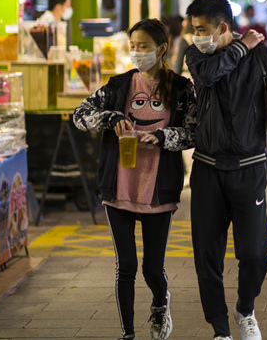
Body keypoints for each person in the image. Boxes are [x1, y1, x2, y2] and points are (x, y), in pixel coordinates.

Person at [155, 0, 267, 340]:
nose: (195, 35)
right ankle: (220, 330)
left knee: (255, 253)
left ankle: (245, 308)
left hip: (249, 168)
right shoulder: (196, 55)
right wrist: (242, 46)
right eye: (193, 29)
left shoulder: (260, 55)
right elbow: (211, 74)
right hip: (208, 168)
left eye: (202, 29)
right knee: (207, 257)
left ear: (223, 27)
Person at [72, 18, 199, 340]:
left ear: (162, 49)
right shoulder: (118, 86)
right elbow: (80, 115)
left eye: (143, 47)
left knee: (152, 269)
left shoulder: (182, 89)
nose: (137, 53)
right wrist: (110, 117)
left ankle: (159, 305)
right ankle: (128, 334)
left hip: (159, 188)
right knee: (126, 265)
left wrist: (163, 136)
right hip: (119, 186)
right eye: (133, 47)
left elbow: (195, 133)